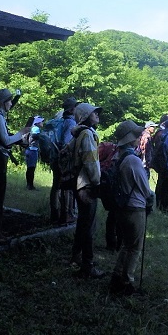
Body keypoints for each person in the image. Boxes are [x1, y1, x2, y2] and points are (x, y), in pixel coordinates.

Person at [109, 120, 154, 296]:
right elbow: (145, 189)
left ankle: (117, 276)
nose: (138, 137)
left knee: (126, 245)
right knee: (135, 247)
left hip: (122, 206)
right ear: (129, 138)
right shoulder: (133, 160)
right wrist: (151, 199)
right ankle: (127, 282)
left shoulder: (118, 156)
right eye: (135, 134)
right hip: (135, 208)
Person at [0, 88, 30, 245]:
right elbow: (5, 141)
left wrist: (19, 140)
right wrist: (21, 132)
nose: (11, 103)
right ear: (3, 103)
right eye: (9, 101)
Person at [70, 102, 106, 279]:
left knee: (83, 223)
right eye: (94, 113)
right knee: (88, 226)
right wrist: (97, 183)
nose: (97, 115)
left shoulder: (79, 133)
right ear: (85, 117)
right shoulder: (87, 135)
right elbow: (91, 162)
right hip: (86, 185)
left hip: (79, 183)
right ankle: (87, 265)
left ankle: (76, 257)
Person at [52, 96, 80, 225]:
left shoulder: (60, 121)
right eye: (75, 107)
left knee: (56, 186)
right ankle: (66, 215)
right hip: (64, 160)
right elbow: (66, 142)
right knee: (67, 187)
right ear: (72, 109)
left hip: (55, 157)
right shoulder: (71, 123)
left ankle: (55, 213)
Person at [25, 116, 44, 190]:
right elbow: (34, 136)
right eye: (41, 121)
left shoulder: (32, 127)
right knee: (32, 168)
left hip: (28, 150)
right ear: (38, 122)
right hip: (32, 150)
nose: (42, 123)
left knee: (29, 168)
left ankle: (29, 185)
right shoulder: (36, 128)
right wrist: (42, 136)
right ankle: (30, 186)